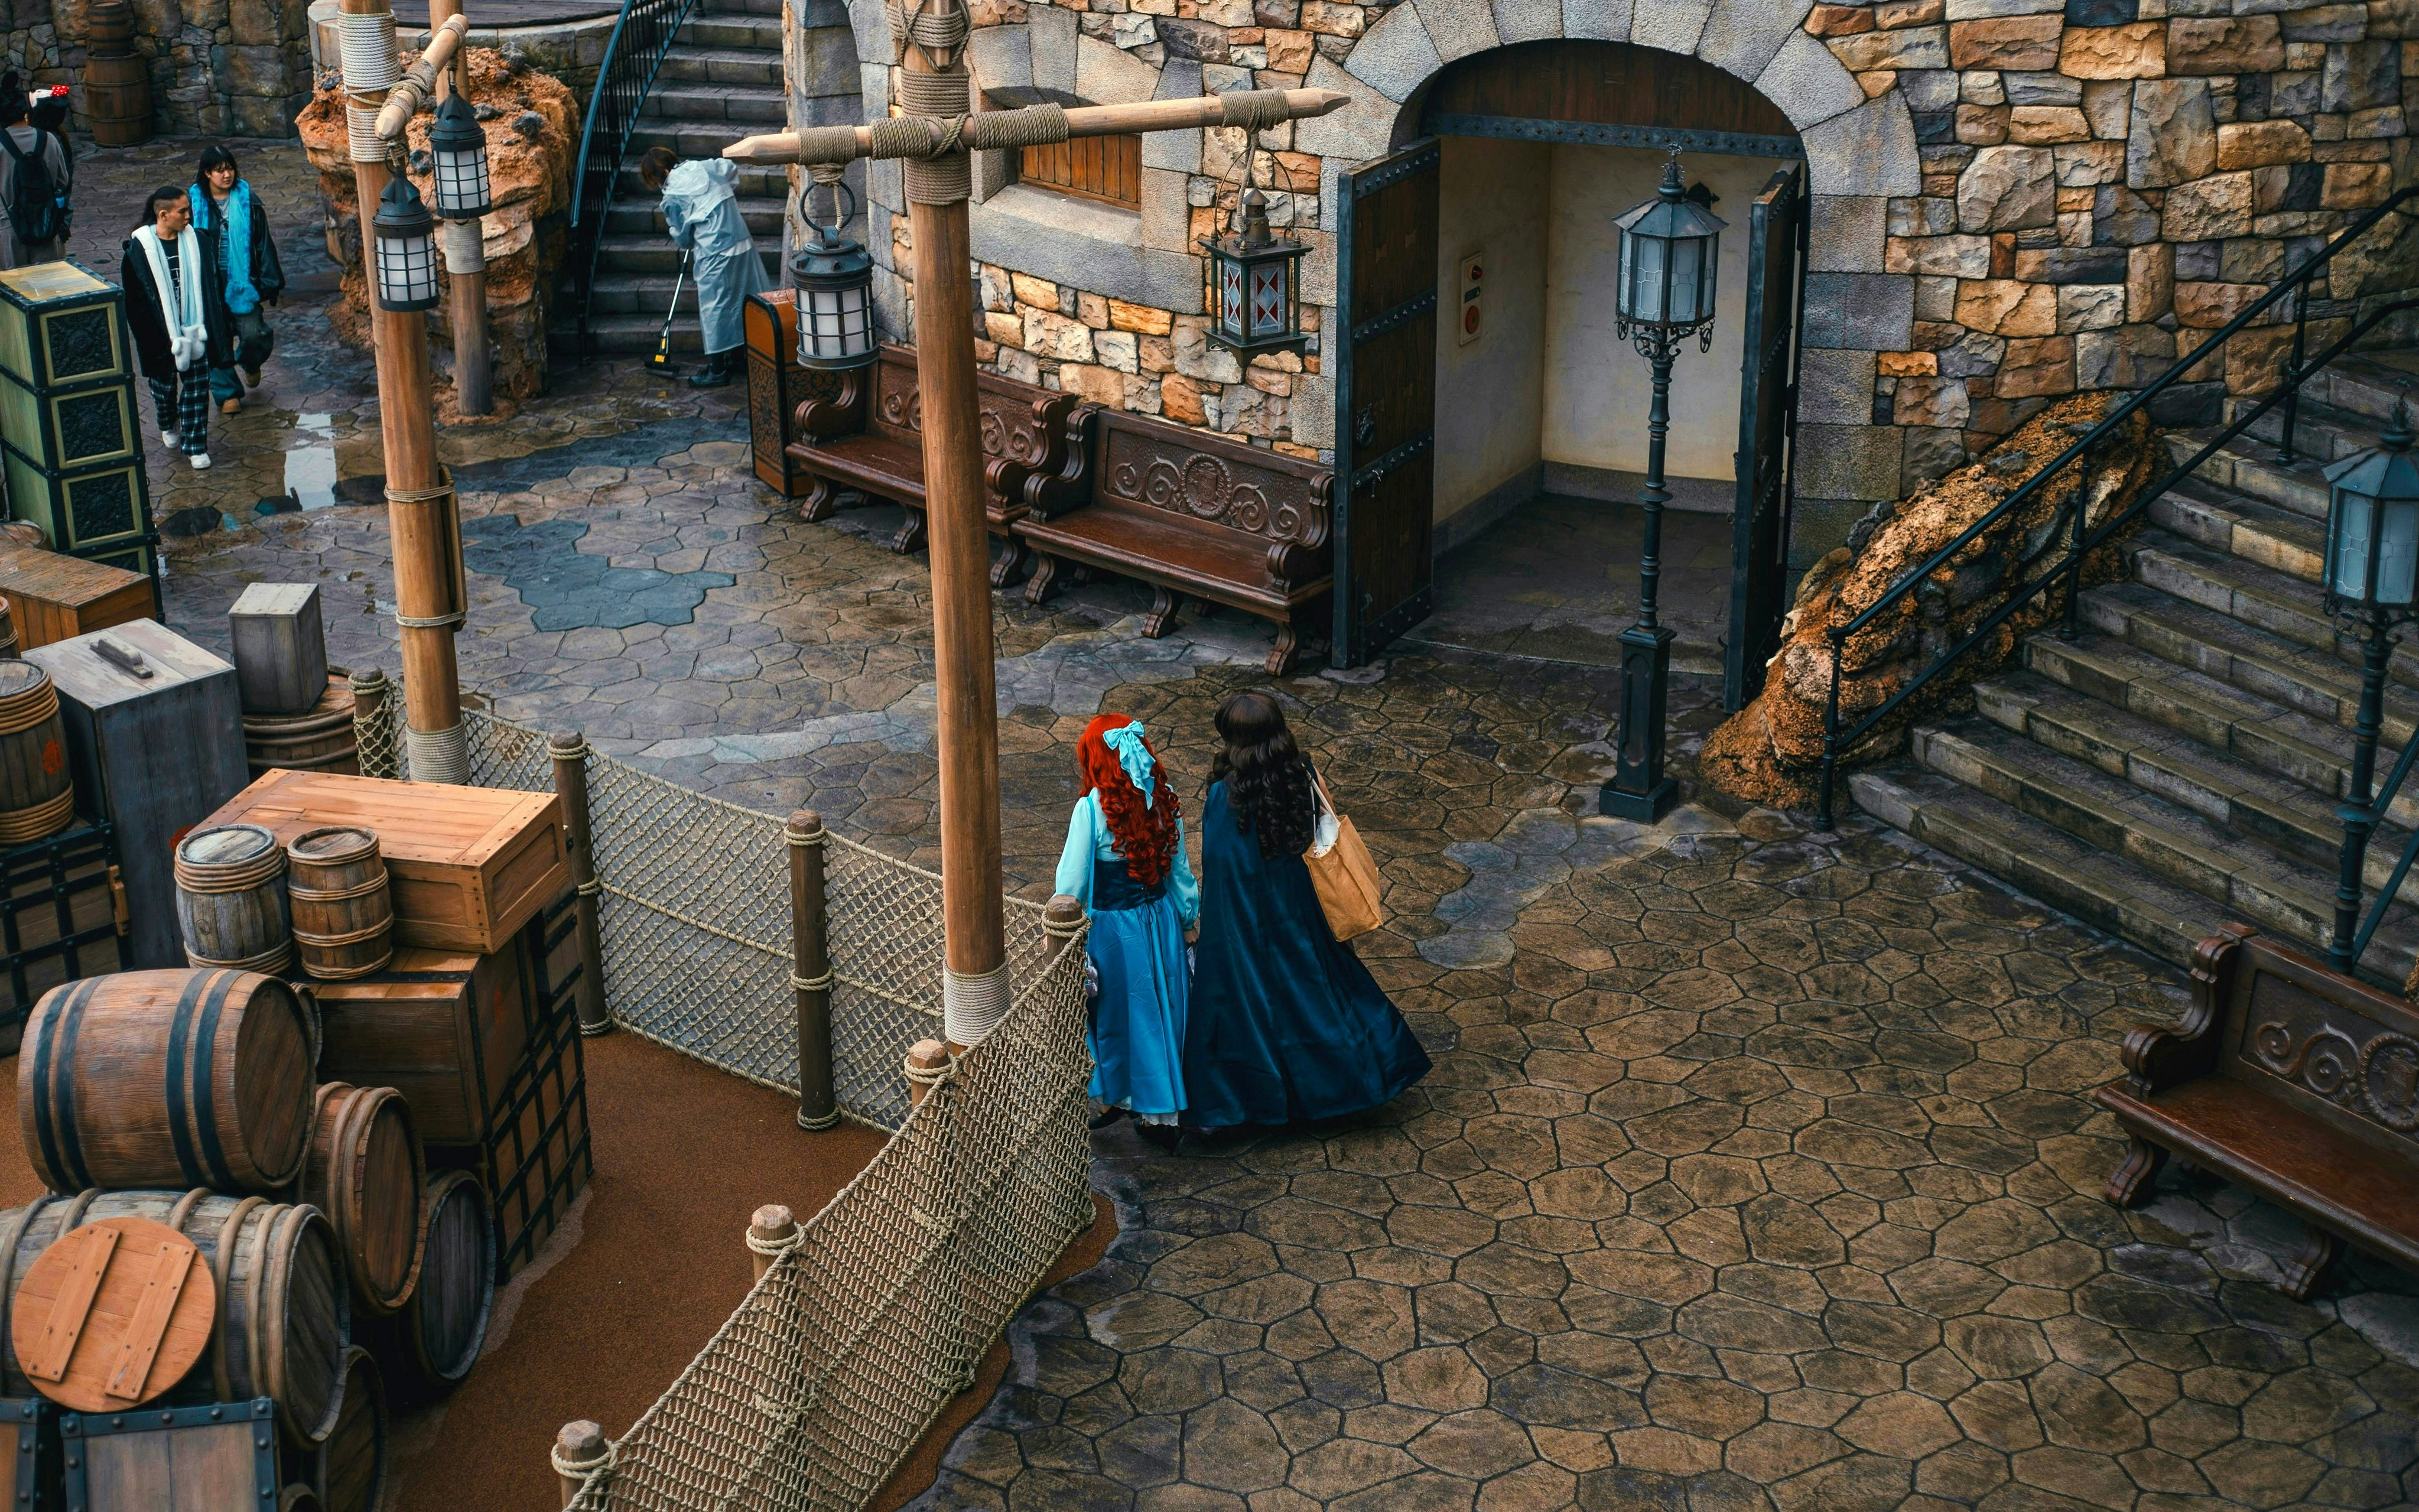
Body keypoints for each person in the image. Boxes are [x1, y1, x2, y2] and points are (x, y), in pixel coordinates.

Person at [1181, 691, 1430, 1131]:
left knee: (1258, 1003)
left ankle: (1263, 1101)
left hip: (1248, 921)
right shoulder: (1302, 773)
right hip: (1301, 909)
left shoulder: (1224, 796)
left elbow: (1222, 869)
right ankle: (1356, 1080)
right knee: (1322, 986)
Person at [1058, 714, 1197, 1143]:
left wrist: (1062, 928)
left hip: (1114, 935)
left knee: (1116, 1017)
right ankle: (1156, 1106)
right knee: (1159, 1011)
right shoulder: (1164, 797)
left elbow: (1072, 882)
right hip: (1161, 923)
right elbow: (1181, 872)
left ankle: (1122, 1096)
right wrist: (1188, 920)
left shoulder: (1091, 809)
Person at [637, 145, 769, 389]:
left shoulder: (671, 196)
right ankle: (740, 358)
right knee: (744, 298)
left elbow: (684, 238)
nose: (658, 185)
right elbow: (729, 169)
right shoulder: (704, 166)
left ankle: (718, 370)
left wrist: (691, 224)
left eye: (655, 180)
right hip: (740, 239)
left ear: (660, 173)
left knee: (715, 309)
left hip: (714, 251)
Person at [122, 185, 229, 470]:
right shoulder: (137, 252)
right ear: (163, 214)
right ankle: (167, 421)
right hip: (159, 336)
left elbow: (212, 286)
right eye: (183, 211)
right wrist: (150, 339)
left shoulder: (199, 243)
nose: (188, 216)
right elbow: (134, 303)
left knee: (196, 389)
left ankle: (196, 447)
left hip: (195, 329)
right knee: (164, 390)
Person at [191, 146, 284, 413]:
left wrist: (270, 280)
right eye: (220, 170)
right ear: (207, 173)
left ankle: (251, 363)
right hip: (209, 280)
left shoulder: (248, 201)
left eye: (229, 168)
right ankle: (227, 393)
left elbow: (263, 243)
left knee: (254, 333)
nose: (227, 175)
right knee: (215, 337)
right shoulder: (193, 204)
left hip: (242, 278)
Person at [0, 83, 69, 268]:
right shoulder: (49, 139)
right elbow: (63, 182)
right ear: (25, 111)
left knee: (14, 293)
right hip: (46, 226)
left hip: (8, 232)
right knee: (49, 291)